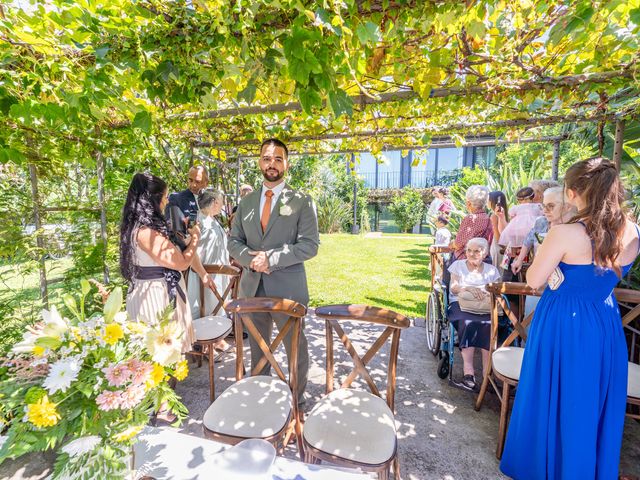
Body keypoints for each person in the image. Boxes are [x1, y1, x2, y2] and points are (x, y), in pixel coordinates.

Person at [501, 158, 640, 480]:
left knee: (554, 391)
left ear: (573, 192)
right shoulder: (633, 231)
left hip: (563, 319)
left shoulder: (565, 233)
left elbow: (535, 280)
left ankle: (542, 467)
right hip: (603, 320)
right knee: (589, 396)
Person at [228, 138, 320, 404]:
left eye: (278, 159)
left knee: (295, 347)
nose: (272, 164)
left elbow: (310, 245)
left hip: (288, 289)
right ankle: (261, 396)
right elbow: (234, 241)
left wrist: (272, 258)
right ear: (259, 162)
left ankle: (296, 399)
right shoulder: (246, 202)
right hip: (252, 287)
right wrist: (250, 259)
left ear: (286, 164)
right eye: (267, 158)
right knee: (258, 347)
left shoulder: (302, 201)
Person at [120, 173, 198, 354]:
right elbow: (182, 263)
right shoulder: (146, 233)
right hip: (156, 298)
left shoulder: (135, 227)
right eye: (164, 197)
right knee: (161, 356)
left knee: (157, 358)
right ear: (153, 200)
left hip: (148, 289)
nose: (166, 202)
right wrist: (195, 240)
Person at [448, 237, 502, 390]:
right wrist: (468, 288)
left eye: (477, 251)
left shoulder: (492, 270)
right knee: (467, 322)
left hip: (484, 306)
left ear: (485, 253)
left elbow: (498, 291)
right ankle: (468, 373)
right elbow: (453, 287)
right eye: (469, 250)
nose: (471, 254)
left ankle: (488, 375)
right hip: (460, 304)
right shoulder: (457, 265)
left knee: (490, 325)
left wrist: (485, 293)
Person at [186, 189, 233, 353]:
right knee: (204, 306)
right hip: (203, 274)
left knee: (217, 305)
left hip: (217, 274)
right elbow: (192, 250)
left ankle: (218, 340)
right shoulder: (199, 222)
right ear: (214, 202)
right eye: (220, 202)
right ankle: (205, 343)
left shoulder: (212, 220)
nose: (221, 206)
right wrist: (203, 273)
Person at [510, 187, 576, 275]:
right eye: (544, 206)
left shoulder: (575, 229)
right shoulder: (541, 222)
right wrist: (519, 260)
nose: (545, 210)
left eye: (551, 206)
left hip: (563, 275)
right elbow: (529, 239)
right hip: (539, 273)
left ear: (567, 206)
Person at [450, 185, 493, 259]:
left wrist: (451, 244)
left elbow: (458, 243)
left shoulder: (471, 218)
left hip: (466, 260)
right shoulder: (488, 218)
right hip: (482, 258)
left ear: (469, 203)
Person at [488, 191, 509, 270]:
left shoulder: (494, 216)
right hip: (503, 249)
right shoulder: (505, 214)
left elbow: (497, 235)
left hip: (497, 247)